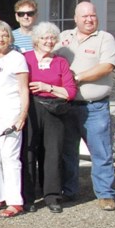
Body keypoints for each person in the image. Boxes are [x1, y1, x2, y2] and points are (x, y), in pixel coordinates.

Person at [55, 1, 115, 211]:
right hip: (67, 105)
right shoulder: (64, 38)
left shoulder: (104, 38)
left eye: (92, 15)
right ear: (76, 18)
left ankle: (105, 194)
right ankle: (69, 191)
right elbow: (51, 60)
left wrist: (77, 78)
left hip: (94, 107)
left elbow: (107, 66)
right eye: (85, 16)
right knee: (67, 152)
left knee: (100, 151)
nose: (89, 19)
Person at [23, 22, 77, 213]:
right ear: (36, 40)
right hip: (29, 108)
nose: (49, 41)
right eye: (44, 37)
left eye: (52, 38)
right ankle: (27, 197)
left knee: (53, 153)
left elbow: (70, 91)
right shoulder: (25, 58)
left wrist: (49, 88)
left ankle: (52, 196)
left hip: (54, 110)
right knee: (28, 151)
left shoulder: (61, 61)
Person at [0, 22, 30, 218]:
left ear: (10, 38)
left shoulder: (17, 58)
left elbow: (23, 89)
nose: (1, 39)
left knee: (10, 157)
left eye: (5, 35)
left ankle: (15, 201)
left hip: (11, 111)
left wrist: (22, 114)